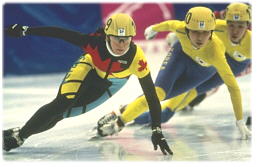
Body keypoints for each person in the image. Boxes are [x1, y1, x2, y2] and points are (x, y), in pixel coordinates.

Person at [3, 13, 172, 155]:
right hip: (89, 67)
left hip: (112, 83)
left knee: (63, 114)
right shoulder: (95, 42)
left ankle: (23, 130)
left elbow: (151, 95)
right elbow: (61, 33)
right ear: (107, 36)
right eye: (117, 38)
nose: (121, 44)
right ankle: (21, 137)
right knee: (63, 103)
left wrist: (157, 129)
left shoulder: (137, 58)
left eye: (126, 39)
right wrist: (26, 30)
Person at [96, 6, 250, 140]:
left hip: (202, 72)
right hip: (180, 57)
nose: (200, 38)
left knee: (165, 113)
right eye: (195, 32)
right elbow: (170, 24)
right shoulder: (182, 28)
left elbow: (234, 87)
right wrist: (154, 28)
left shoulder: (217, 53)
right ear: (187, 29)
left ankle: (129, 112)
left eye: (205, 33)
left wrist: (240, 120)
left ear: (212, 32)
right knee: (157, 95)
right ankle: (121, 118)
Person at [134, 3, 252, 134]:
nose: (235, 30)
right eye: (231, 25)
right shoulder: (217, 25)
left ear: (248, 25)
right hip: (214, 59)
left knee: (191, 94)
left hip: (233, 64)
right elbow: (184, 26)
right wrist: (179, 35)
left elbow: (232, 85)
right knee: (168, 91)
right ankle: (132, 111)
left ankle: (141, 113)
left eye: (240, 26)